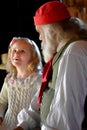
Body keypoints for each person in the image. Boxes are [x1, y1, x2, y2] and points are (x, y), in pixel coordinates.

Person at [14, 1, 87, 130]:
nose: (40, 38)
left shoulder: (73, 52)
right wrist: (24, 124)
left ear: (52, 31)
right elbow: (42, 98)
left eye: (40, 32)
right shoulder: (61, 53)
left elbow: (66, 116)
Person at [0, 37, 42, 130]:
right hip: (6, 125)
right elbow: (2, 102)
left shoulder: (38, 80)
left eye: (22, 51)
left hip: (27, 127)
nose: (16, 53)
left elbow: (38, 110)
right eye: (14, 50)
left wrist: (23, 126)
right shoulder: (9, 79)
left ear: (33, 56)